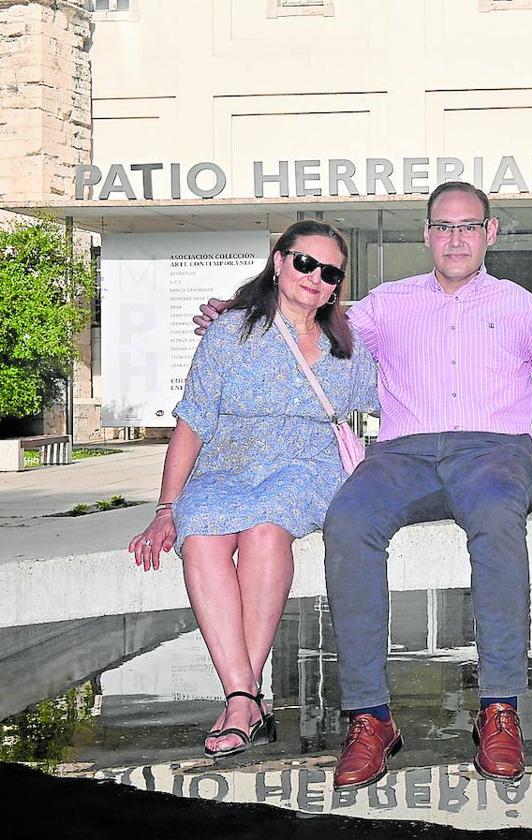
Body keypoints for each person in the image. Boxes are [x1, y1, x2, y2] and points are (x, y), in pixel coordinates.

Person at [197, 182, 532, 785]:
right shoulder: (387, 304)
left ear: (490, 233)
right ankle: (370, 718)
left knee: (497, 518)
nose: (456, 238)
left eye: (469, 226)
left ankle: (499, 708)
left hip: (493, 450)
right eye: (443, 226)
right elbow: (304, 321)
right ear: (427, 235)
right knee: (350, 519)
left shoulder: (521, 305)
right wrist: (234, 315)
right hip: (403, 452)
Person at [131, 220, 378, 758]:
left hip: (305, 466)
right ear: (279, 261)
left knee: (267, 531)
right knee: (200, 534)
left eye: (330, 271)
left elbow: (399, 392)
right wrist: (166, 507)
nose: (316, 278)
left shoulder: (348, 346)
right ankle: (245, 693)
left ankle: (241, 700)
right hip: (226, 464)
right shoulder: (232, 331)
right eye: (305, 263)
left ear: (338, 284)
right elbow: (193, 422)